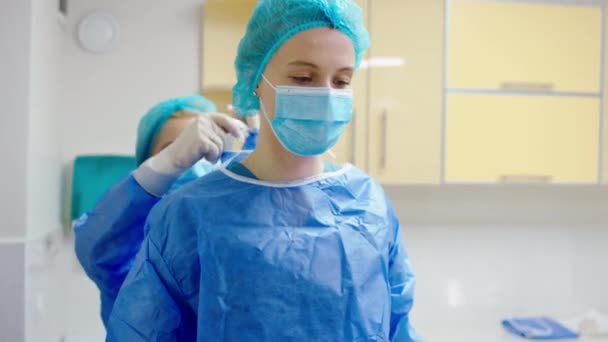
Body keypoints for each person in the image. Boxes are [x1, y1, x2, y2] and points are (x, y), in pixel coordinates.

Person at [107, 0, 422, 341]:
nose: (326, 96)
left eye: (342, 81)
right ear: (256, 80)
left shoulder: (367, 205)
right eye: (303, 77)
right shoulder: (189, 215)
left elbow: (398, 327)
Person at [74, 95, 254, 327]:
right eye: (176, 148)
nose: (194, 158)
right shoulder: (134, 238)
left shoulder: (228, 223)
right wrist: (169, 164)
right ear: (151, 162)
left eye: (206, 148)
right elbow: (98, 250)